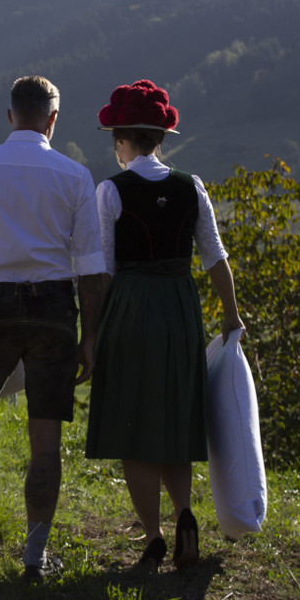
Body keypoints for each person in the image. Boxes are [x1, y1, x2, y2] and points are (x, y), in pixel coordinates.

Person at [0, 75, 108, 582]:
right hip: (54, 309)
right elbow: (92, 266)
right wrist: (89, 337)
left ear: (10, 116)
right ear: (53, 119)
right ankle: (33, 559)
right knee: (45, 445)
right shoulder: (75, 175)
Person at [85, 79, 245, 571]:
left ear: (122, 140)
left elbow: (105, 270)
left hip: (132, 308)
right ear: (161, 138)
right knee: (175, 416)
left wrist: (91, 334)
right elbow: (214, 256)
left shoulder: (111, 191)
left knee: (134, 422)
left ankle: (153, 537)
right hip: (180, 308)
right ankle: (184, 514)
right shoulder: (191, 187)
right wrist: (231, 313)